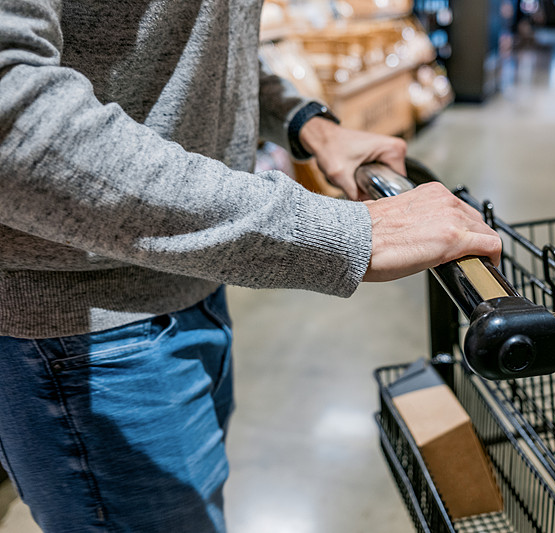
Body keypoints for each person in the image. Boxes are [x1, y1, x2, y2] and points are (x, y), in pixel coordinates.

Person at [0, 0, 502, 531]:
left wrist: (307, 123)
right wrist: (339, 232)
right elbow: (13, 119)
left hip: (193, 282)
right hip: (83, 331)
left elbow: (204, 47)